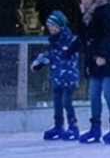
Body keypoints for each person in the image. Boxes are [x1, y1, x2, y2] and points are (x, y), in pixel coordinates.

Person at [76, 0, 110, 144]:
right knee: (94, 94)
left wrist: (102, 55)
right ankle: (95, 128)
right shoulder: (87, 14)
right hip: (94, 60)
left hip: (108, 60)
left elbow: (109, 35)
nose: (83, 2)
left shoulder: (104, 10)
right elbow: (85, 38)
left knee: (108, 93)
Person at [32, 9, 83, 140]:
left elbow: (64, 54)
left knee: (66, 102)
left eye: (53, 26)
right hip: (57, 77)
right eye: (49, 27)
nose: (51, 29)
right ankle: (58, 126)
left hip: (69, 77)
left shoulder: (70, 40)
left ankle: (73, 127)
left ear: (60, 26)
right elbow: (51, 54)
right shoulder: (53, 41)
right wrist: (41, 62)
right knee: (57, 103)